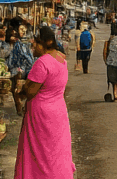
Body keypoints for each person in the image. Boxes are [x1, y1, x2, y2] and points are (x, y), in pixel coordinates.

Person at [14, 26, 75, 179]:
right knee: (55, 153)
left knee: (39, 155)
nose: (33, 47)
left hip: (41, 116)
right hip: (58, 111)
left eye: (36, 44)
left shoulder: (42, 62)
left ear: (47, 43)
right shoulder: (61, 58)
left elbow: (30, 92)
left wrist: (19, 91)